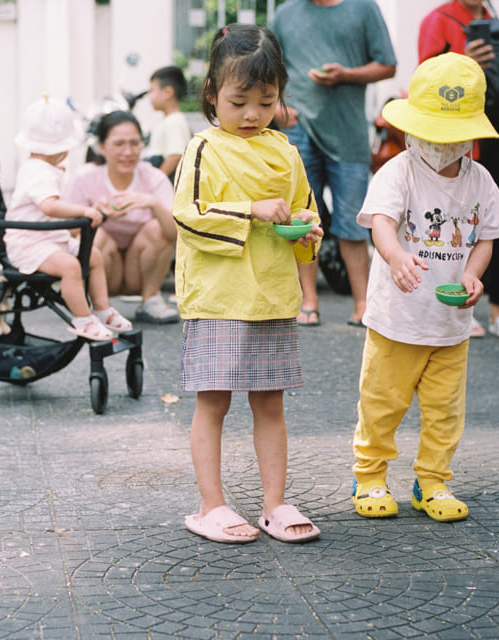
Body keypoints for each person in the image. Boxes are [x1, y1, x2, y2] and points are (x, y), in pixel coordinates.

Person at [174, 24, 324, 544]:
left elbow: (305, 211)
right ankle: (210, 505)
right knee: (213, 402)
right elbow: (187, 216)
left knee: (270, 404)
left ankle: (274, 504)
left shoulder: (286, 151)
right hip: (217, 298)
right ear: (213, 93)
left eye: (266, 101)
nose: (253, 114)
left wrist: (309, 230)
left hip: (271, 296)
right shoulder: (201, 148)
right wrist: (250, 210)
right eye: (239, 101)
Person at [350, 53, 499, 523]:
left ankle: (433, 481)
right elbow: (381, 223)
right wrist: (397, 256)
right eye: (433, 134)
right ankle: (371, 474)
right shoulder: (398, 171)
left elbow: (485, 236)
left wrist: (472, 274)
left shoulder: (480, 180)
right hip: (396, 319)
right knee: (383, 402)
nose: (442, 146)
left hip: (451, 323)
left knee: (444, 411)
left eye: (454, 137)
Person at [270, 0, 396, 327]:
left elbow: (388, 65)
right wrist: (277, 109)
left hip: (349, 132)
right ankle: (308, 301)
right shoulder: (285, 13)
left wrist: (347, 74)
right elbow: (267, 66)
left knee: (353, 223)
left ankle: (364, 304)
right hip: (299, 129)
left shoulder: (364, 8)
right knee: (303, 219)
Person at [419, 0, 499, 338]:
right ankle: (462, 304)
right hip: (462, 134)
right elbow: (423, 78)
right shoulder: (438, 20)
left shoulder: (497, 21)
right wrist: (466, 63)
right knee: (460, 221)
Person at [4, 96, 133, 342]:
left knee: (93, 256)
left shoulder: (43, 168)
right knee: (71, 267)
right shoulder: (38, 172)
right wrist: (83, 211)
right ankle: (83, 319)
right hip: (29, 244)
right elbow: (49, 206)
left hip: (51, 238)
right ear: (61, 148)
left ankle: (102, 308)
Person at [64, 111, 179, 324]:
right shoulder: (84, 177)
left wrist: (152, 203)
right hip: (106, 270)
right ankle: (99, 304)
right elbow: (67, 233)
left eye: (135, 143)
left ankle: (151, 298)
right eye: (118, 144)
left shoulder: (154, 177)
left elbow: (176, 234)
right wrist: (94, 214)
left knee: (158, 228)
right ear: (102, 147)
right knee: (96, 235)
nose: (128, 152)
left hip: (141, 269)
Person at [144, 66, 193, 179]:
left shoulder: (175, 121)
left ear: (168, 92)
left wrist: (157, 181)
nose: (149, 96)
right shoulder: (169, 121)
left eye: (152, 90)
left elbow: (176, 155)